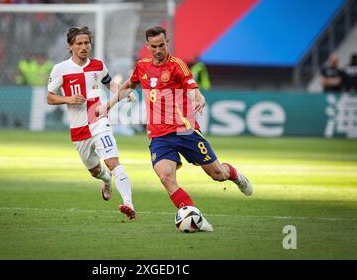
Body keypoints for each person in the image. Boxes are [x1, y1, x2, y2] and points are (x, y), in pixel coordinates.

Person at [98, 26, 253, 231]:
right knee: (165, 177)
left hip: (185, 130)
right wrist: (108, 105)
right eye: (154, 46)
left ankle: (233, 174)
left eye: (162, 45)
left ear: (167, 42)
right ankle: (195, 219)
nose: (158, 50)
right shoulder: (142, 67)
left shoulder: (177, 65)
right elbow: (128, 85)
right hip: (159, 135)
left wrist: (200, 98)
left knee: (217, 174)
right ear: (148, 46)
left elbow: (192, 87)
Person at [47, 26, 136, 219]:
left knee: (113, 162)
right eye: (79, 43)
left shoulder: (98, 65)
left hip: (98, 120)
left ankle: (128, 203)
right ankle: (106, 180)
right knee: (95, 170)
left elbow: (109, 83)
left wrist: (123, 92)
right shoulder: (60, 69)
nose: (84, 47)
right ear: (71, 46)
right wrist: (68, 99)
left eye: (87, 43)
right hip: (78, 129)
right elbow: (50, 97)